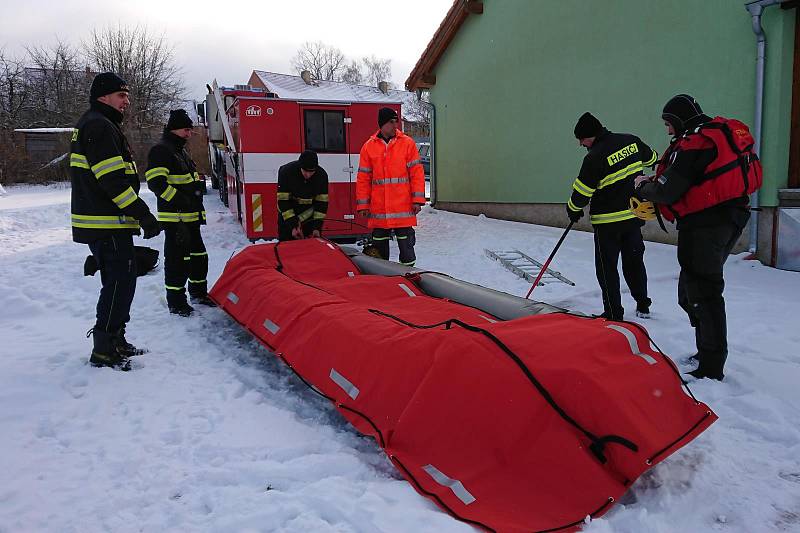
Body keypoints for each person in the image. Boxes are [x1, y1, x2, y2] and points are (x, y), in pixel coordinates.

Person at [635, 94, 757, 381]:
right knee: (693, 290)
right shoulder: (712, 134)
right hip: (729, 217)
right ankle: (706, 352)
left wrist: (642, 186)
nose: (667, 130)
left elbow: (667, 190)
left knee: (704, 292)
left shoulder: (695, 142)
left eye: (668, 123)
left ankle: (711, 365)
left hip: (706, 224)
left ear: (678, 120)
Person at [70, 72, 161, 370]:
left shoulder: (99, 123)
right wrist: (143, 214)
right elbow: (113, 182)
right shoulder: (99, 125)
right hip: (105, 223)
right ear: (103, 97)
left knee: (121, 282)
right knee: (119, 283)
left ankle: (116, 339)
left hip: (107, 222)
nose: (127, 101)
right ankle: (105, 349)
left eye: (127, 95)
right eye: (121, 96)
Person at [567, 112, 658, 320]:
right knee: (634, 262)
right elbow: (652, 157)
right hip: (634, 217)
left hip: (607, 224)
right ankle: (643, 304)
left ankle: (613, 312)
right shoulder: (631, 141)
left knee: (607, 269)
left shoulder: (594, 157)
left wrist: (573, 209)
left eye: (582, 139)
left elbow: (581, 193)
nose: (581, 144)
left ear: (591, 135)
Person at [145, 109, 213, 317]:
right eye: (186, 130)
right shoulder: (161, 151)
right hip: (176, 219)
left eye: (190, 130)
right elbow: (156, 183)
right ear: (174, 129)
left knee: (199, 257)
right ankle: (176, 302)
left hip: (190, 218)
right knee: (177, 262)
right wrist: (182, 201)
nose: (189, 134)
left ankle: (199, 293)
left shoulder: (179, 150)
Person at [356, 107, 426, 266]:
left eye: (396, 122)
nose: (395, 125)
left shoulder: (407, 144)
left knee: (407, 253)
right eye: (391, 122)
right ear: (382, 124)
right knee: (380, 254)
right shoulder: (368, 147)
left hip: (403, 210)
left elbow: (417, 173)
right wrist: (363, 205)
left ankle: (409, 278)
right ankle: (384, 282)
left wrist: (417, 200)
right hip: (379, 210)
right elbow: (363, 178)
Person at [276, 150, 329, 241]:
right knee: (286, 247)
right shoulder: (286, 172)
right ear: (300, 166)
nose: (308, 175)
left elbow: (322, 204)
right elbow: (283, 201)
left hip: (309, 219)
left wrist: (316, 228)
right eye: (305, 171)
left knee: (309, 248)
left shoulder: (322, 176)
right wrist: (293, 226)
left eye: (311, 172)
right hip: (287, 216)